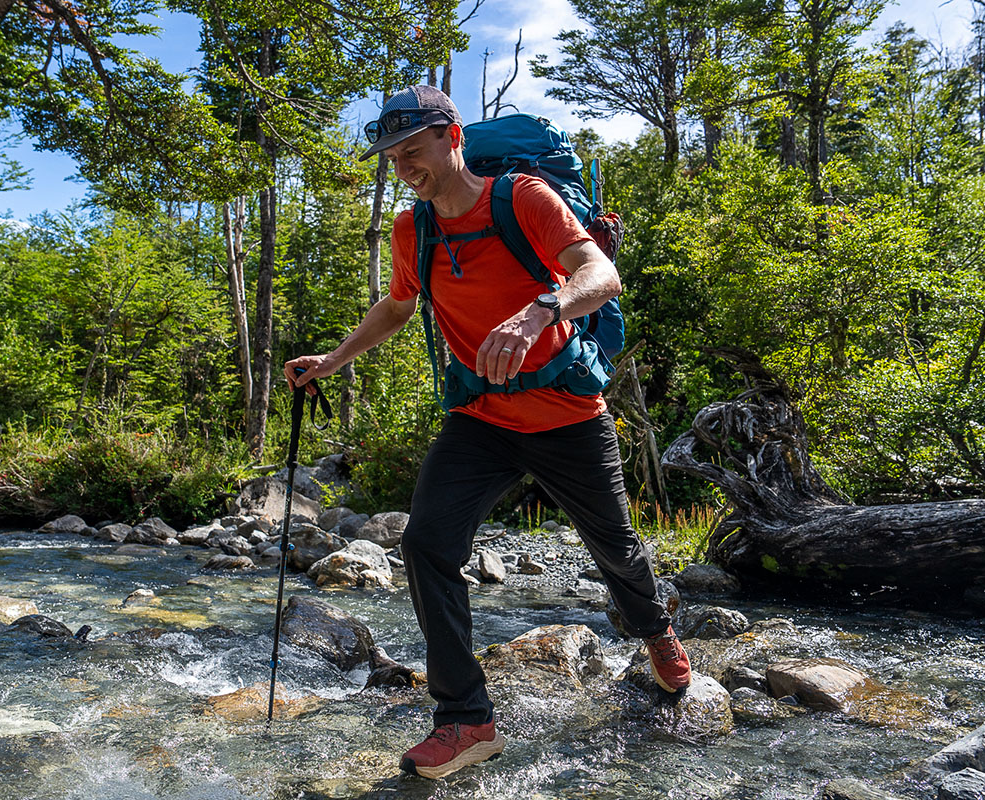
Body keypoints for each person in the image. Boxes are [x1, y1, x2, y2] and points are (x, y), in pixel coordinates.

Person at [283, 85, 691, 781]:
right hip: (480, 419)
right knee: (425, 543)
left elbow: (601, 272)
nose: (404, 163)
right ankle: (466, 719)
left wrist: (541, 310)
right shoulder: (414, 229)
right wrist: (334, 358)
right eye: (393, 154)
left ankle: (655, 631)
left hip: (566, 414)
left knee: (615, 547)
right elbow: (400, 303)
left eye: (414, 147)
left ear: (453, 138)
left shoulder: (523, 198)